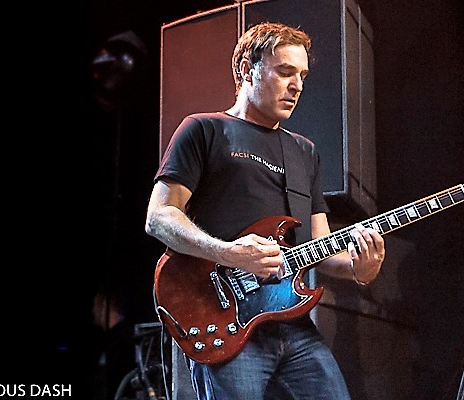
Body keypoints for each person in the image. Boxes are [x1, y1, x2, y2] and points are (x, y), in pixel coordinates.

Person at [145, 21, 385, 400]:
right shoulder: (204, 129)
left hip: (294, 324)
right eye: (285, 71)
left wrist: (359, 269)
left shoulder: (304, 152)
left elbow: (320, 248)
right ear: (247, 69)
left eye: (302, 75)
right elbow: (159, 217)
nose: (297, 86)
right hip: (223, 318)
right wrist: (228, 253)